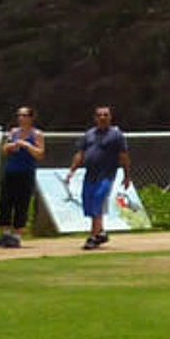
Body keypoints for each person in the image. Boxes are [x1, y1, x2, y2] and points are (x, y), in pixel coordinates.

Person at [67, 103, 132, 251]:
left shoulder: (116, 135)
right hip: (90, 174)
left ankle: (92, 237)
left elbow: (123, 156)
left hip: (106, 175)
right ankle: (101, 232)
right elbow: (80, 154)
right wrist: (72, 171)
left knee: (97, 200)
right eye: (99, 115)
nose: (102, 117)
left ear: (110, 117)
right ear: (95, 118)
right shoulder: (89, 134)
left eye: (105, 115)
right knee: (89, 204)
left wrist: (126, 175)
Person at [0, 104, 44, 248]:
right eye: (19, 115)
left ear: (31, 118)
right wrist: (10, 147)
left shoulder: (37, 134)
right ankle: (5, 234)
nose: (21, 118)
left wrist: (27, 146)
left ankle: (16, 235)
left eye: (24, 115)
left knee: (21, 203)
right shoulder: (13, 132)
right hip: (10, 172)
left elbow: (40, 154)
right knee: (5, 202)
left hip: (25, 173)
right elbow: (4, 150)